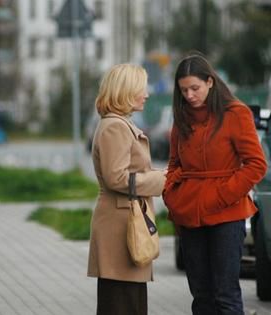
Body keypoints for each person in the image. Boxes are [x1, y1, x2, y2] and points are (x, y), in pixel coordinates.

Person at [163, 53, 268, 314]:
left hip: (226, 214)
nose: (189, 95)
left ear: (210, 82)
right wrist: (172, 195)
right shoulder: (181, 118)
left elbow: (256, 165)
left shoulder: (236, 113)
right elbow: (174, 165)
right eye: (184, 90)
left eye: (195, 88)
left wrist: (222, 195)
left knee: (226, 294)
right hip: (189, 213)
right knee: (201, 295)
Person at [87, 64, 166, 315]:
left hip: (124, 223)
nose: (147, 94)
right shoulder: (115, 127)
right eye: (142, 89)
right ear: (126, 91)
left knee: (127, 302)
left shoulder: (118, 124)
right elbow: (116, 177)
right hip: (119, 228)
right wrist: (162, 180)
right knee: (122, 304)